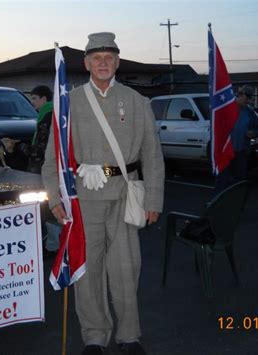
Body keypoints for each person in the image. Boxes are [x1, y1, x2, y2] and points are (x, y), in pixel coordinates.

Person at [42, 32, 165, 355]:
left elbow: (153, 156)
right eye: (96, 58)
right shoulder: (70, 103)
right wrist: (56, 197)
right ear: (86, 63)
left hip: (125, 195)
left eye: (109, 57)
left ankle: (129, 335)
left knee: (126, 270)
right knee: (87, 271)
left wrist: (153, 200)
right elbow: (52, 156)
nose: (103, 63)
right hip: (84, 200)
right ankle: (95, 337)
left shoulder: (138, 102)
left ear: (118, 62)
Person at [214, 85, 258, 194]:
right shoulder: (226, 109)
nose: (248, 101)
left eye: (250, 98)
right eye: (247, 97)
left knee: (239, 180)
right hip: (226, 152)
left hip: (241, 152)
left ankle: (235, 203)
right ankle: (216, 203)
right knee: (222, 179)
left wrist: (253, 133)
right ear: (240, 95)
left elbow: (257, 129)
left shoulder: (250, 113)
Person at [17, 85, 53, 174]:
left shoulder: (48, 117)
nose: (32, 102)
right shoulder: (46, 114)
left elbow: (42, 144)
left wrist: (22, 147)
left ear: (44, 99)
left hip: (42, 163)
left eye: (34, 98)